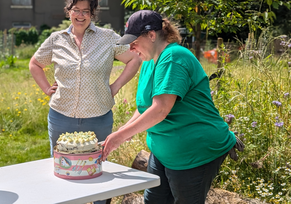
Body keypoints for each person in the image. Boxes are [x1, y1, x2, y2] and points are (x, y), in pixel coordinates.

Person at [101, 10, 237, 204]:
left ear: (151, 35)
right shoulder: (149, 60)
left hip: (194, 152)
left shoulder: (173, 57)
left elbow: (160, 109)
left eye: (134, 41)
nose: (131, 49)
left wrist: (120, 137)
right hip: (163, 152)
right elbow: (144, 107)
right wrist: (123, 132)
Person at [29, 0, 141, 155]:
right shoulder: (56, 39)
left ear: (92, 13)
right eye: (76, 10)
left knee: (97, 167)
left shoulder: (108, 38)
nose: (80, 15)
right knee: (61, 165)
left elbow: (134, 59)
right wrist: (46, 88)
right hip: (61, 116)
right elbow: (35, 63)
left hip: (98, 118)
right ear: (69, 11)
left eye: (85, 11)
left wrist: (116, 86)